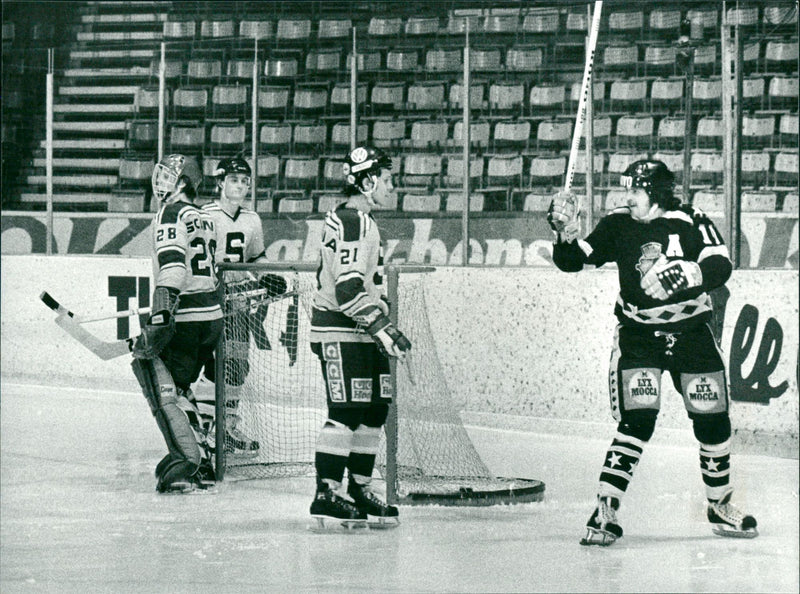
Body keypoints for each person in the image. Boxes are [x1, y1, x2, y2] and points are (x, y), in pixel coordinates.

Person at [548, 159, 758, 546]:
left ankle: (719, 504)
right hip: (640, 337)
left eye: (635, 191)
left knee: (713, 422)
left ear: (657, 195)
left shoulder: (690, 219)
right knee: (637, 421)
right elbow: (574, 261)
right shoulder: (617, 223)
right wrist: (565, 233)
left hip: (692, 333)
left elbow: (720, 262)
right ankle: (606, 509)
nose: (627, 198)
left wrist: (691, 273)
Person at [308, 145, 411, 526]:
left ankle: (359, 488)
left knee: (373, 410)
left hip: (360, 329)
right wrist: (382, 327)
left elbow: (360, 285)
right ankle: (327, 493)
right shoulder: (354, 221)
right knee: (347, 412)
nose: (392, 186)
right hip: (340, 329)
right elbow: (347, 289)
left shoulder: (361, 221)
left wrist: (379, 316)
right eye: (386, 180)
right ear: (367, 182)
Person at [131, 154, 223, 493]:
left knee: (157, 381)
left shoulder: (170, 213)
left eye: (170, 175)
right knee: (182, 388)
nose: (161, 181)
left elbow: (173, 267)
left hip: (184, 319)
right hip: (210, 318)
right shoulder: (207, 218)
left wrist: (160, 314)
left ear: (183, 182)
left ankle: (189, 461)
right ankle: (201, 460)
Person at [200, 157, 287, 455]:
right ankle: (204, 427)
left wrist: (268, 275)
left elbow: (255, 258)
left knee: (237, 364)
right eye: (234, 179)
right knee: (210, 364)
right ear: (220, 182)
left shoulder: (252, 219)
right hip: (208, 298)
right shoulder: (204, 215)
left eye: (245, 180)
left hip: (237, 300)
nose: (240, 185)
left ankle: (227, 426)